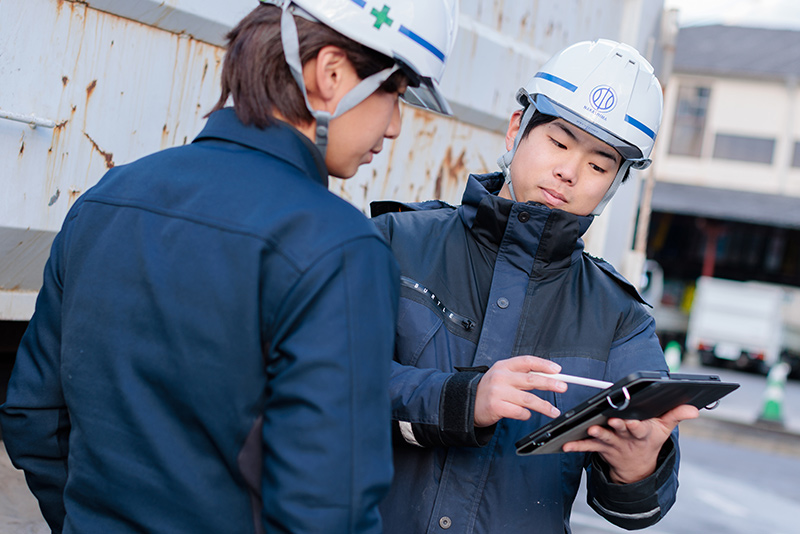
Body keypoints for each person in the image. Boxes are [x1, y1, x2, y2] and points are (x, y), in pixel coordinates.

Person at [0, 1, 458, 533]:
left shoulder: (108, 198)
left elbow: (34, 417)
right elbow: (328, 508)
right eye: (395, 95)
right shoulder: (338, 247)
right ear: (331, 75)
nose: (397, 126)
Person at [370, 39, 699, 533]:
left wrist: (637, 466)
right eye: (559, 142)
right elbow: (320, 380)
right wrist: (461, 398)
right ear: (516, 129)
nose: (568, 172)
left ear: (614, 183)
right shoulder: (395, 243)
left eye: (598, 165)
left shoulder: (620, 318)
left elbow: (636, 510)